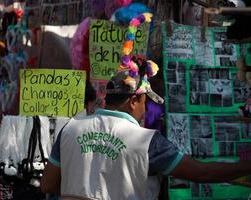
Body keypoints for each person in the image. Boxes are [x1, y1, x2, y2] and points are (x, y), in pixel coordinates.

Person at [40, 56, 251, 200]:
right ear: (134, 100)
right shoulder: (147, 141)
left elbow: (47, 185)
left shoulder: (71, 129)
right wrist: (245, 167)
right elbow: (201, 172)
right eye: (145, 103)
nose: (145, 109)